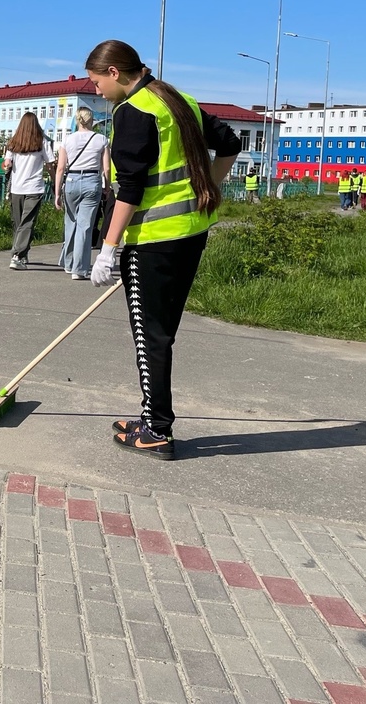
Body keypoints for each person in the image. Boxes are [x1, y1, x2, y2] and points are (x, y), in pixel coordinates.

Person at [86, 40, 240, 460]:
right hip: (191, 231)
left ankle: (156, 429)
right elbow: (230, 143)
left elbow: (130, 188)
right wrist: (207, 186)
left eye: (97, 81)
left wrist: (108, 248)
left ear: (115, 73)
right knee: (161, 332)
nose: (96, 89)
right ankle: (152, 416)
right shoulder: (177, 99)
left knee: (149, 334)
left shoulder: (134, 112)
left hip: (153, 240)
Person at [54, 107, 109, 281]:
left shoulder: (67, 140)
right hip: (92, 181)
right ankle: (79, 268)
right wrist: (106, 187)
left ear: (77, 120)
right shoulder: (101, 139)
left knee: (70, 223)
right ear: (92, 120)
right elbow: (106, 168)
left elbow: (61, 168)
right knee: (85, 226)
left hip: (71, 180)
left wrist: (57, 193)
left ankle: (68, 263)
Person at [3, 112, 50, 271]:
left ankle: (20, 253)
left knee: (20, 223)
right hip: (34, 188)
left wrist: (7, 165)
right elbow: (50, 163)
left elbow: (7, 162)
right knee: (26, 222)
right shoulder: (42, 142)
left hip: (17, 188)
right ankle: (18, 255)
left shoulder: (13, 143)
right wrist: (57, 180)